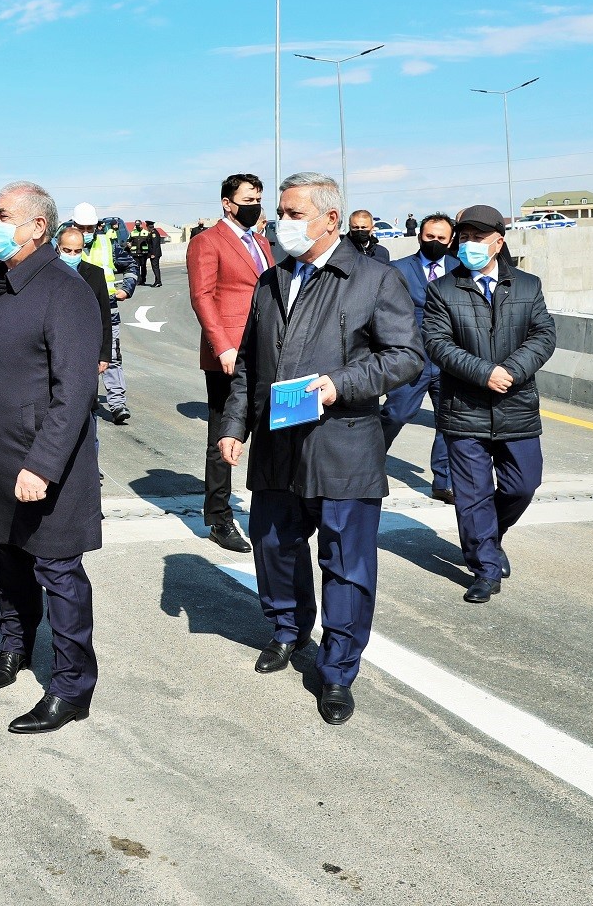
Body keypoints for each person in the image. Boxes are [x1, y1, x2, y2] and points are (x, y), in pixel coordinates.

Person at [215, 172, 423, 726]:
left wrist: (340, 384)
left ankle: (337, 670)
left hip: (343, 447)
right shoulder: (270, 281)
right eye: (280, 212)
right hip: (278, 448)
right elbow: (249, 368)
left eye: (292, 212)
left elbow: (405, 357)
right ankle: (286, 631)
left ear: (331, 219)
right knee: (274, 547)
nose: (280, 222)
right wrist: (234, 427)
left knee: (346, 563)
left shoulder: (375, 280)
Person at [0, 181, 102, 735]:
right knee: (7, 561)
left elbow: (74, 393)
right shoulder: (3, 284)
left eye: (2, 215)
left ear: (36, 227)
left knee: (59, 571)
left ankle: (71, 687)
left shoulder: (64, 291)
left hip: (44, 461)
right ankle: (15, 645)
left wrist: (41, 465)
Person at [423, 205, 558, 603]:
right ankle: (484, 566)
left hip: (516, 404)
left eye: (478, 238)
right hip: (464, 406)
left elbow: (544, 335)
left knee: (523, 484)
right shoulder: (442, 290)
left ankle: (489, 537)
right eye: (463, 238)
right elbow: (437, 344)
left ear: (499, 241)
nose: (469, 245)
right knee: (472, 493)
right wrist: (483, 372)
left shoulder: (528, 286)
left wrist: (512, 371)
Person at [186, 174, 273, 554]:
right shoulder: (206, 242)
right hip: (229, 354)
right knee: (223, 434)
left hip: (267, 349)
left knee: (271, 427)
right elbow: (202, 297)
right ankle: (219, 517)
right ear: (227, 202)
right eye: (248, 198)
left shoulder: (262, 242)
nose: (255, 204)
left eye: (258, 197)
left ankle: (271, 506)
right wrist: (222, 346)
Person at [383, 213, 460, 503]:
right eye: (430, 237)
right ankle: (370, 459)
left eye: (442, 238)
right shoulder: (398, 270)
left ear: (450, 240)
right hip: (411, 359)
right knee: (397, 413)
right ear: (419, 237)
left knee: (449, 421)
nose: (435, 242)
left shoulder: (460, 269)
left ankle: (445, 480)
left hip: (450, 361)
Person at [69, 202, 136, 425]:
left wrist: (126, 288)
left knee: (112, 357)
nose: (86, 233)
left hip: (107, 309)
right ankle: (82, 401)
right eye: (82, 227)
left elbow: (131, 266)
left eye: (90, 228)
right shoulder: (63, 246)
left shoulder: (109, 244)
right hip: (74, 312)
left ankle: (117, 404)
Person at [56, 228, 114, 368]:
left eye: (77, 251)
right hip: (56, 348)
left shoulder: (95, 274)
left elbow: (104, 316)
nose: (72, 255)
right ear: (58, 248)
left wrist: (104, 355)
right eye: (67, 250)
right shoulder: (47, 273)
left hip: (86, 349)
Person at [128, 220, 155, 286]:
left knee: (143, 267)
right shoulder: (132, 232)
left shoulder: (146, 232)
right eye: (136, 225)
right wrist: (129, 245)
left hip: (144, 253)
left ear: (141, 225)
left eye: (139, 225)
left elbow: (150, 242)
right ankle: (138, 280)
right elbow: (128, 241)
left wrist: (150, 252)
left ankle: (143, 279)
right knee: (136, 267)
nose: (138, 226)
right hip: (135, 253)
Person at [144, 221, 166, 287]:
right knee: (155, 268)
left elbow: (154, 244)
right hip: (154, 253)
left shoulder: (154, 233)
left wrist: (153, 254)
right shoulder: (152, 233)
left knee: (155, 268)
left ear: (148, 227)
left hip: (155, 253)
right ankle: (158, 281)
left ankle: (158, 281)